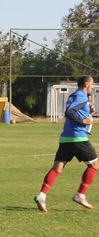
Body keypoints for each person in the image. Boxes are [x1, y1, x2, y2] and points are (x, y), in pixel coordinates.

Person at [34, 75, 98, 212]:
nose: (92, 86)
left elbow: (75, 109)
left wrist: (88, 109)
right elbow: (69, 112)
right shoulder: (81, 96)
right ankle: (80, 195)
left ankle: (42, 195)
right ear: (86, 84)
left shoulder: (74, 96)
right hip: (78, 138)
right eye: (92, 84)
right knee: (94, 165)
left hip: (66, 138)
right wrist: (83, 121)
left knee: (57, 168)